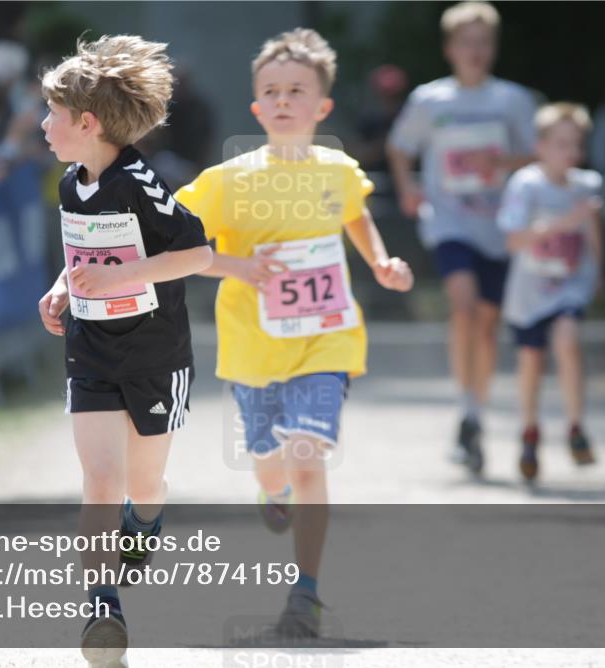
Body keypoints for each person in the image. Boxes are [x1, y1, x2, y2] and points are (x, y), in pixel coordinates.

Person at [176, 28, 412, 638]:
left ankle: (304, 591)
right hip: (252, 347)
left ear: (322, 107)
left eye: (296, 91)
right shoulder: (227, 180)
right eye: (272, 92)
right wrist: (235, 267)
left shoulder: (337, 170)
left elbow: (356, 214)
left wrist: (380, 262)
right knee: (269, 462)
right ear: (256, 107)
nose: (283, 100)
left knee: (309, 457)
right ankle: (270, 488)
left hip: (326, 340)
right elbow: (174, 237)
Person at [35, 34, 212, 662]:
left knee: (145, 482)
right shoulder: (69, 185)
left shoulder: (142, 182)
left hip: (153, 353)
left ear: (87, 123)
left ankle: (146, 523)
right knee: (100, 480)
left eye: (53, 114)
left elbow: (199, 253)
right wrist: (61, 288)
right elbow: (82, 257)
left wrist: (120, 278)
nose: (43, 124)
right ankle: (101, 604)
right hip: (92, 350)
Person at [386, 1, 537, 474]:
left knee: (489, 326)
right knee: (464, 306)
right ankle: (466, 405)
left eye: (483, 42)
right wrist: (408, 184)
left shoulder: (513, 100)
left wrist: (500, 165)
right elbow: (398, 147)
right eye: (466, 42)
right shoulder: (431, 100)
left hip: (500, 227)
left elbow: (539, 156)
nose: (474, 50)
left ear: (493, 48)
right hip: (449, 221)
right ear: (450, 48)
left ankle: (475, 413)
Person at [497, 103, 602, 482]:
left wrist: (597, 272)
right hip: (529, 291)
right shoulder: (525, 185)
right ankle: (529, 431)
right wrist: (561, 224)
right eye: (560, 144)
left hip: (569, 285)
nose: (569, 153)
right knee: (531, 361)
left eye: (576, 145)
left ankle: (576, 426)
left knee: (568, 341)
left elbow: (593, 234)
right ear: (540, 146)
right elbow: (512, 240)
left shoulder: (588, 185)